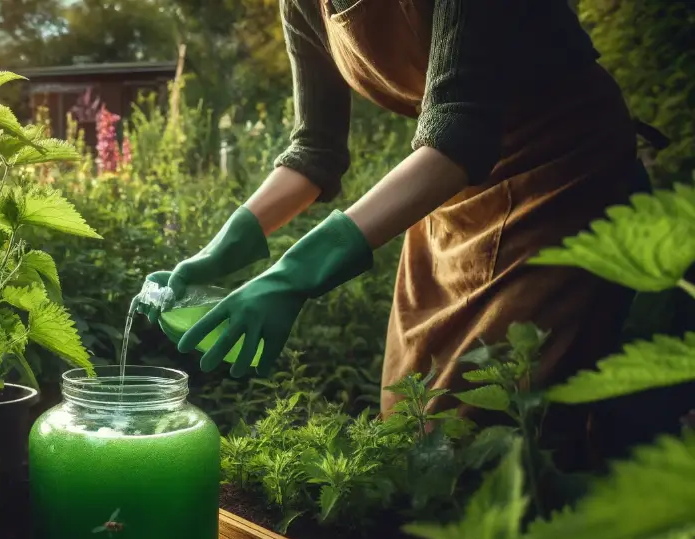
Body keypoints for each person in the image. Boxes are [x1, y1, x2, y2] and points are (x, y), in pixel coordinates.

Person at [139, 0, 651, 471]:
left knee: (504, 426)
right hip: (446, 194)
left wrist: (294, 274)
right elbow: (315, 152)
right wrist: (226, 245)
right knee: (414, 415)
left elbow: (459, 131)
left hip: (562, 178)